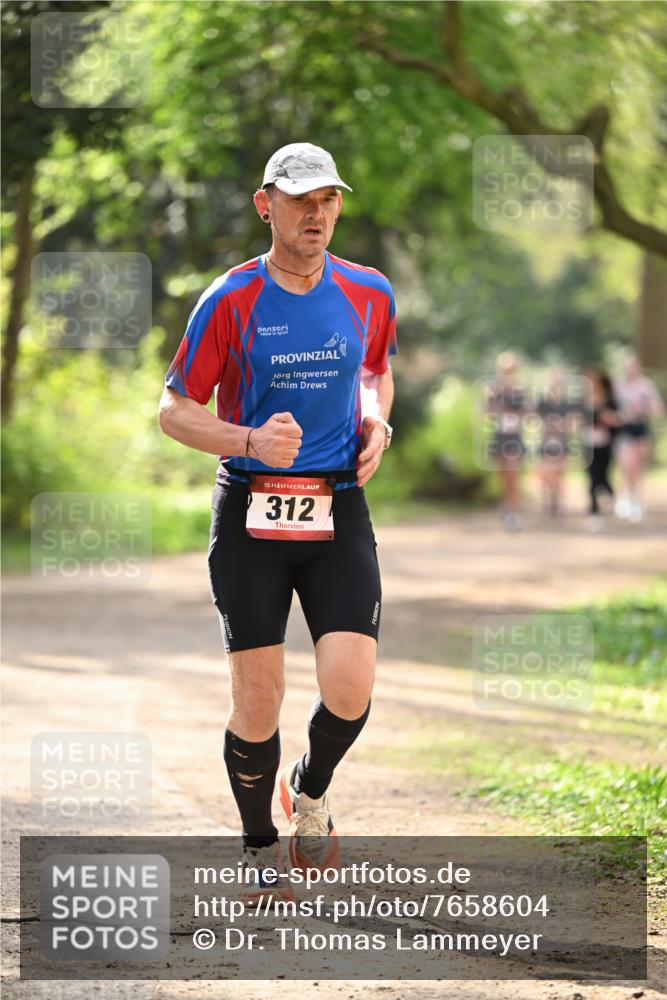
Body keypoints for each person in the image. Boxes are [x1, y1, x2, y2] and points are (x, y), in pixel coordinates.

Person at [158, 142, 397, 898]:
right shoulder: (229, 299)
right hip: (252, 510)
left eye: (327, 200)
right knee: (258, 697)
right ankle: (258, 843)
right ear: (267, 205)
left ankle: (311, 787)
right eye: (300, 200)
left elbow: (375, 371)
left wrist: (376, 423)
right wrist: (249, 440)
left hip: (337, 504)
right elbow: (173, 410)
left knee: (351, 685)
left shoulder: (368, 291)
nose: (316, 214)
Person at [613, 355, 665, 523]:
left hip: (640, 429)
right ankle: (624, 497)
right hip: (624, 430)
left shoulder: (645, 385)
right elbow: (610, 407)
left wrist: (648, 409)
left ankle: (636, 500)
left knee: (638, 466)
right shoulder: (618, 386)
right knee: (626, 464)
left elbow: (657, 407)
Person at [486, 352, 525, 531]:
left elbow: (528, 413)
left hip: (514, 438)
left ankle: (514, 513)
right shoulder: (493, 390)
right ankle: (506, 504)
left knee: (512, 475)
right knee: (503, 476)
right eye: (504, 370)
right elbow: (487, 413)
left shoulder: (520, 391)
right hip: (499, 437)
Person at [581, 368, 620, 531]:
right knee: (592, 477)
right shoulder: (582, 400)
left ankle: (610, 494)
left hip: (604, 444)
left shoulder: (610, 399)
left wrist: (610, 418)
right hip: (588, 444)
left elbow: (618, 420)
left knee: (603, 475)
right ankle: (594, 512)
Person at [536, 367, 573, 519]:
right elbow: (533, 420)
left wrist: (561, 425)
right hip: (546, 441)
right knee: (545, 473)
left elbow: (572, 423)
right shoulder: (543, 402)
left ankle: (558, 502)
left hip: (562, 441)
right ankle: (546, 502)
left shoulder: (567, 404)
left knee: (559, 474)